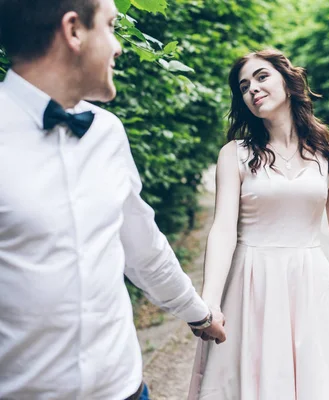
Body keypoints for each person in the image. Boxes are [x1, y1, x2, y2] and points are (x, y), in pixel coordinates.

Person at [0, 0, 225, 398]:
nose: (118, 46)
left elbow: (144, 247)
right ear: (74, 32)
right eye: (110, 26)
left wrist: (198, 314)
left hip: (125, 388)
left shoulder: (107, 133)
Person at [188, 49, 329, 399]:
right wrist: (210, 300)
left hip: (309, 284)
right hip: (250, 283)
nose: (252, 88)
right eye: (243, 86)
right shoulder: (234, 154)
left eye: (261, 77)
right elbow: (222, 229)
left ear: (288, 82)